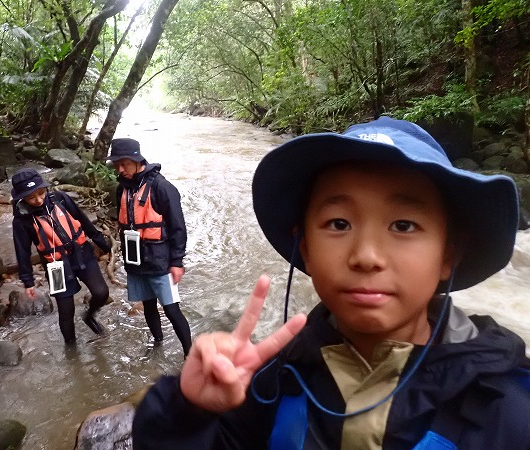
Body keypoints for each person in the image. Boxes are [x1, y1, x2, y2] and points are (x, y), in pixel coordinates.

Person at [131, 117, 530, 449]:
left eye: (404, 225)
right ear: (305, 247)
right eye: (339, 223)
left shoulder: (509, 411)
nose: (367, 256)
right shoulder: (272, 384)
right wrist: (189, 412)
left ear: (448, 255)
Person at [110, 138, 192, 357]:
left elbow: (178, 227)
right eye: (116, 164)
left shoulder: (162, 187)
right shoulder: (122, 189)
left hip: (160, 261)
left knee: (171, 309)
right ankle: (157, 344)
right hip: (135, 260)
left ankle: (190, 354)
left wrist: (177, 262)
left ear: (137, 160)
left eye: (124, 164)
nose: (120, 169)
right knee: (148, 305)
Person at [11, 168, 111, 345]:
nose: (38, 200)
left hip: (82, 254)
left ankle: (89, 316)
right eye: (31, 197)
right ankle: (72, 351)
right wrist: (28, 281)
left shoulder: (60, 198)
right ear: (22, 198)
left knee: (101, 293)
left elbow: (82, 220)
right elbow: (22, 251)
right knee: (66, 311)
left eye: (41, 193)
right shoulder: (21, 220)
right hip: (55, 266)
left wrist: (101, 242)